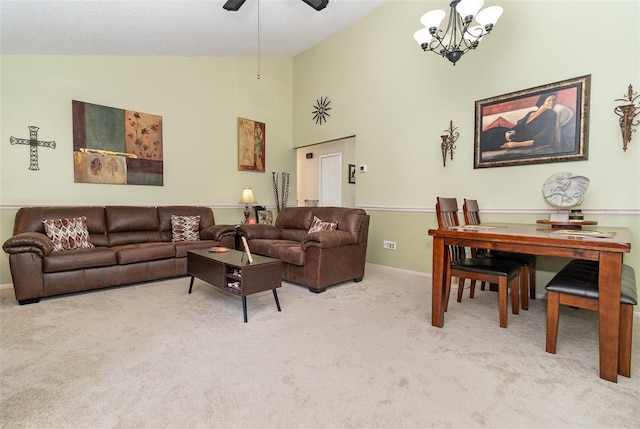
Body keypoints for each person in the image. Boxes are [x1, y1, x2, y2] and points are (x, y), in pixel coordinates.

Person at [481, 92, 562, 152]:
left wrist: (514, 145)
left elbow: (545, 140)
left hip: (517, 140)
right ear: (543, 101)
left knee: (488, 143)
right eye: (549, 100)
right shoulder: (531, 113)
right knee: (488, 134)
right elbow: (517, 127)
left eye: (554, 100)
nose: (552, 103)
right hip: (509, 133)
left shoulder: (550, 115)